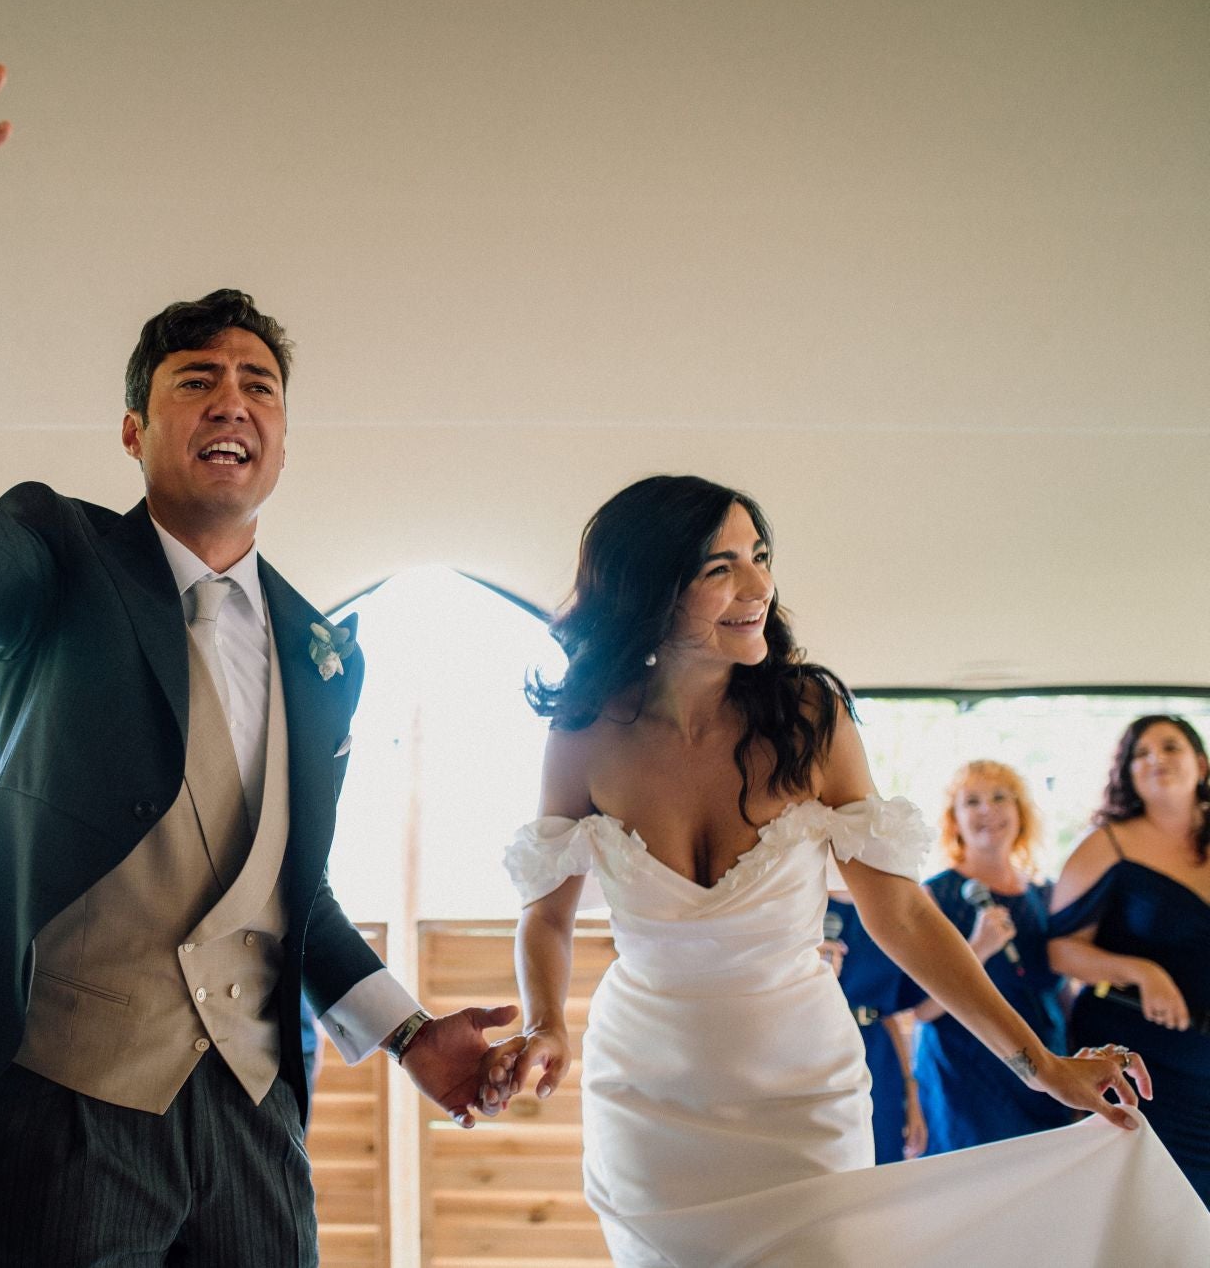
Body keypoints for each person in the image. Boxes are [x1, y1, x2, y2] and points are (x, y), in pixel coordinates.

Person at [0, 34, 514, 1267]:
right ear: (134, 427)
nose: (234, 401)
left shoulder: (325, 648)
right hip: (63, 1107)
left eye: (259, 384)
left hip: (252, 1122)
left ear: (283, 434)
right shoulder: (61, 559)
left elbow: (281, 891)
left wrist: (412, 1031)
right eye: (197, 380)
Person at [481, 475, 1204, 1266]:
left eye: (759, 556)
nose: (759, 586)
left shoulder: (810, 718)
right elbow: (546, 914)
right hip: (645, 1096)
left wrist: (1039, 1064)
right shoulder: (584, 735)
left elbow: (902, 916)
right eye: (720, 568)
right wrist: (545, 1021)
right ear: (649, 587)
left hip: (801, 1088)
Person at [1051, 715, 1210, 1205]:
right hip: (1143, 1053)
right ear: (1127, 772)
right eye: (1140, 753)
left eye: (1170, 747)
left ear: (1201, 764)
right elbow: (1060, 950)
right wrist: (1143, 972)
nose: (1155, 759)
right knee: (1158, 1198)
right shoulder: (1108, 844)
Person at [912, 760, 1071, 1153]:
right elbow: (920, 1009)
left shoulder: (1046, 893)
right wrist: (978, 948)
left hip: (1044, 1062)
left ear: (1021, 812)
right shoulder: (934, 896)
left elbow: (1060, 988)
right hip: (967, 1078)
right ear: (955, 821)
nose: (988, 810)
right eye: (972, 802)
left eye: (1000, 797)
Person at [822, 887, 927, 1162]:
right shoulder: (805, 899)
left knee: (882, 1160)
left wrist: (911, 1094)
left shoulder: (886, 905)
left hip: (878, 1055)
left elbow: (889, 1013)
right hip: (820, 1043)